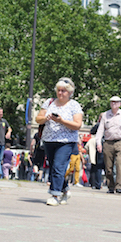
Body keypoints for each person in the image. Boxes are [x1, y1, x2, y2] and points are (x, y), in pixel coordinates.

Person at [35, 77, 83, 206]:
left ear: (69, 93)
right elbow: (38, 119)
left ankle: (55, 194)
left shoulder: (74, 105)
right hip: (49, 139)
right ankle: (65, 189)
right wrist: (46, 118)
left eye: (64, 91)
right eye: (59, 90)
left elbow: (77, 125)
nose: (60, 93)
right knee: (53, 168)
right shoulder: (49, 102)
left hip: (66, 141)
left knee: (58, 166)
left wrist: (61, 121)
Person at [96, 96, 121, 194]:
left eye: (116, 102)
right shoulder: (105, 115)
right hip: (108, 142)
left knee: (120, 164)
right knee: (108, 167)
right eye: (112, 102)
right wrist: (98, 143)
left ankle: (119, 186)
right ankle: (111, 186)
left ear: (120, 104)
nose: (114, 104)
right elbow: (100, 130)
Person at [86, 122, 104, 190]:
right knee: (108, 166)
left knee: (97, 166)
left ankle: (96, 184)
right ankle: (110, 185)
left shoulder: (99, 124)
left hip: (99, 143)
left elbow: (92, 131)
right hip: (108, 143)